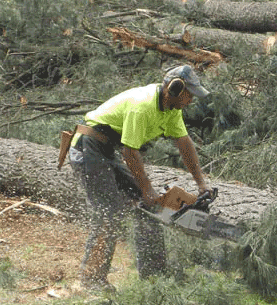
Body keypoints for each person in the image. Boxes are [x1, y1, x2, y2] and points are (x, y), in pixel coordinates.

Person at [69, 64, 212, 290]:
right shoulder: (143, 105)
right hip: (88, 146)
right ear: (174, 88)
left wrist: (201, 183)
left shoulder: (171, 111)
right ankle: (92, 279)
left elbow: (184, 144)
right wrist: (146, 188)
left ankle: (154, 276)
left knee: (150, 208)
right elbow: (130, 151)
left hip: (107, 150)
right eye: (189, 95)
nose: (191, 101)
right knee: (109, 210)